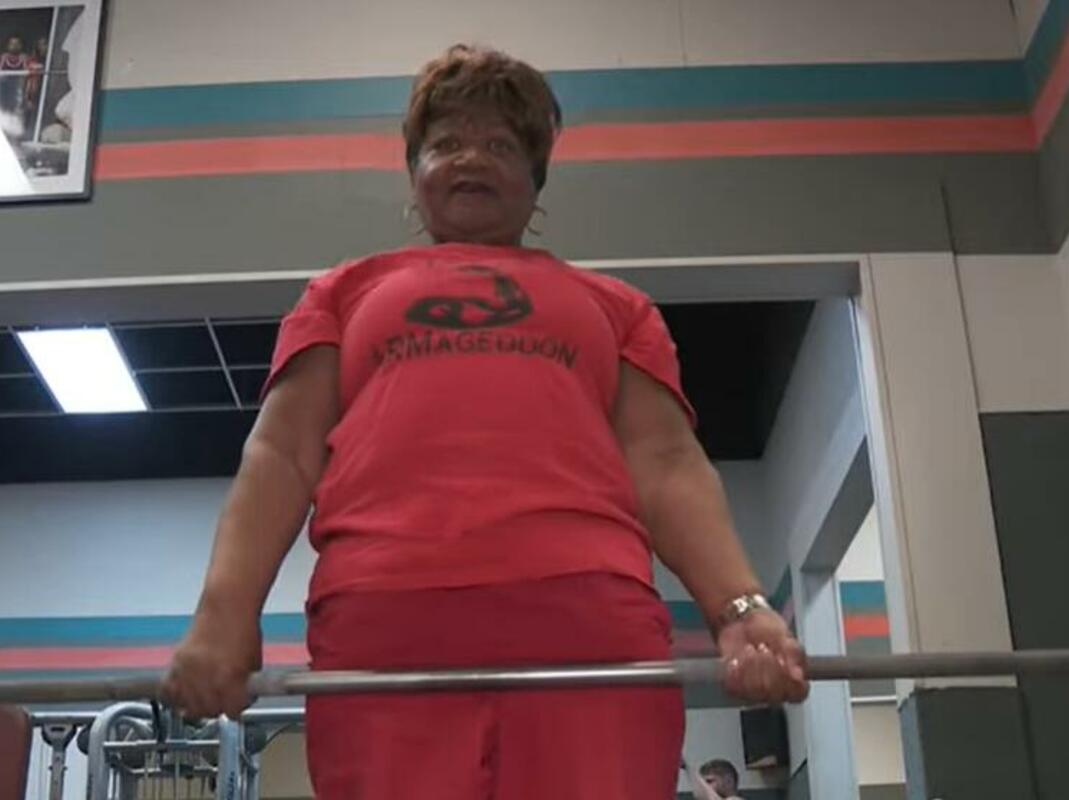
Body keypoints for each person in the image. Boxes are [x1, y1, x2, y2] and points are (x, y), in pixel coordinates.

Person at [161, 44, 808, 799]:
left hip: (588, 622)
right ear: (415, 175)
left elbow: (666, 464)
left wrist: (740, 609)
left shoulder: (615, 307)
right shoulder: (341, 294)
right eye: (447, 144)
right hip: (385, 622)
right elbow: (281, 454)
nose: (471, 159)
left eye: (500, 145)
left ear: (536, 182)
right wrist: (223, 617)